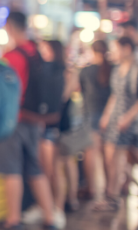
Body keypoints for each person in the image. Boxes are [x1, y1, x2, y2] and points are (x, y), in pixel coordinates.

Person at [0, 11, 60, 230]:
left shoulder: (12, 56)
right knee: (35, 168)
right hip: (35, 120)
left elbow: (5, 92)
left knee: (11, 169)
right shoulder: (36, 52)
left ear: (10, 27)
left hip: (15, 120)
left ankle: (13, 220)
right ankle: (50, 217)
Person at [38, 40, 80, 214]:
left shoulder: (61, 72)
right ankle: (69, 200)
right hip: (64, 123)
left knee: (55, 168)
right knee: (66, 163)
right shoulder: (67, 71)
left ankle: (58, 207)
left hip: (57, 123)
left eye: (46, 49)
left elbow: (62, 97)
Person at [100, 36, 138, 212]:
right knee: (109, 158)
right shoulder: (117, 69)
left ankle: (113, 195)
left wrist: (128, 118)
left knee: (119, 156)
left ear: (127, 48)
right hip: (115, 117)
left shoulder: (135, 69)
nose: (114, 52)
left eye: (117, 49)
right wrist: (106, 115)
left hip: (129, 120)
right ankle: (111, 194)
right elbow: (114, 95)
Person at [82, 40, 112, 210]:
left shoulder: (86, 70)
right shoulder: (112, 68)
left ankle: (91, 188)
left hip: (91, 114)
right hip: (108, 116)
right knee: (108, 155)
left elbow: (79, 90)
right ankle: (109, 187)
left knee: (91, 153)